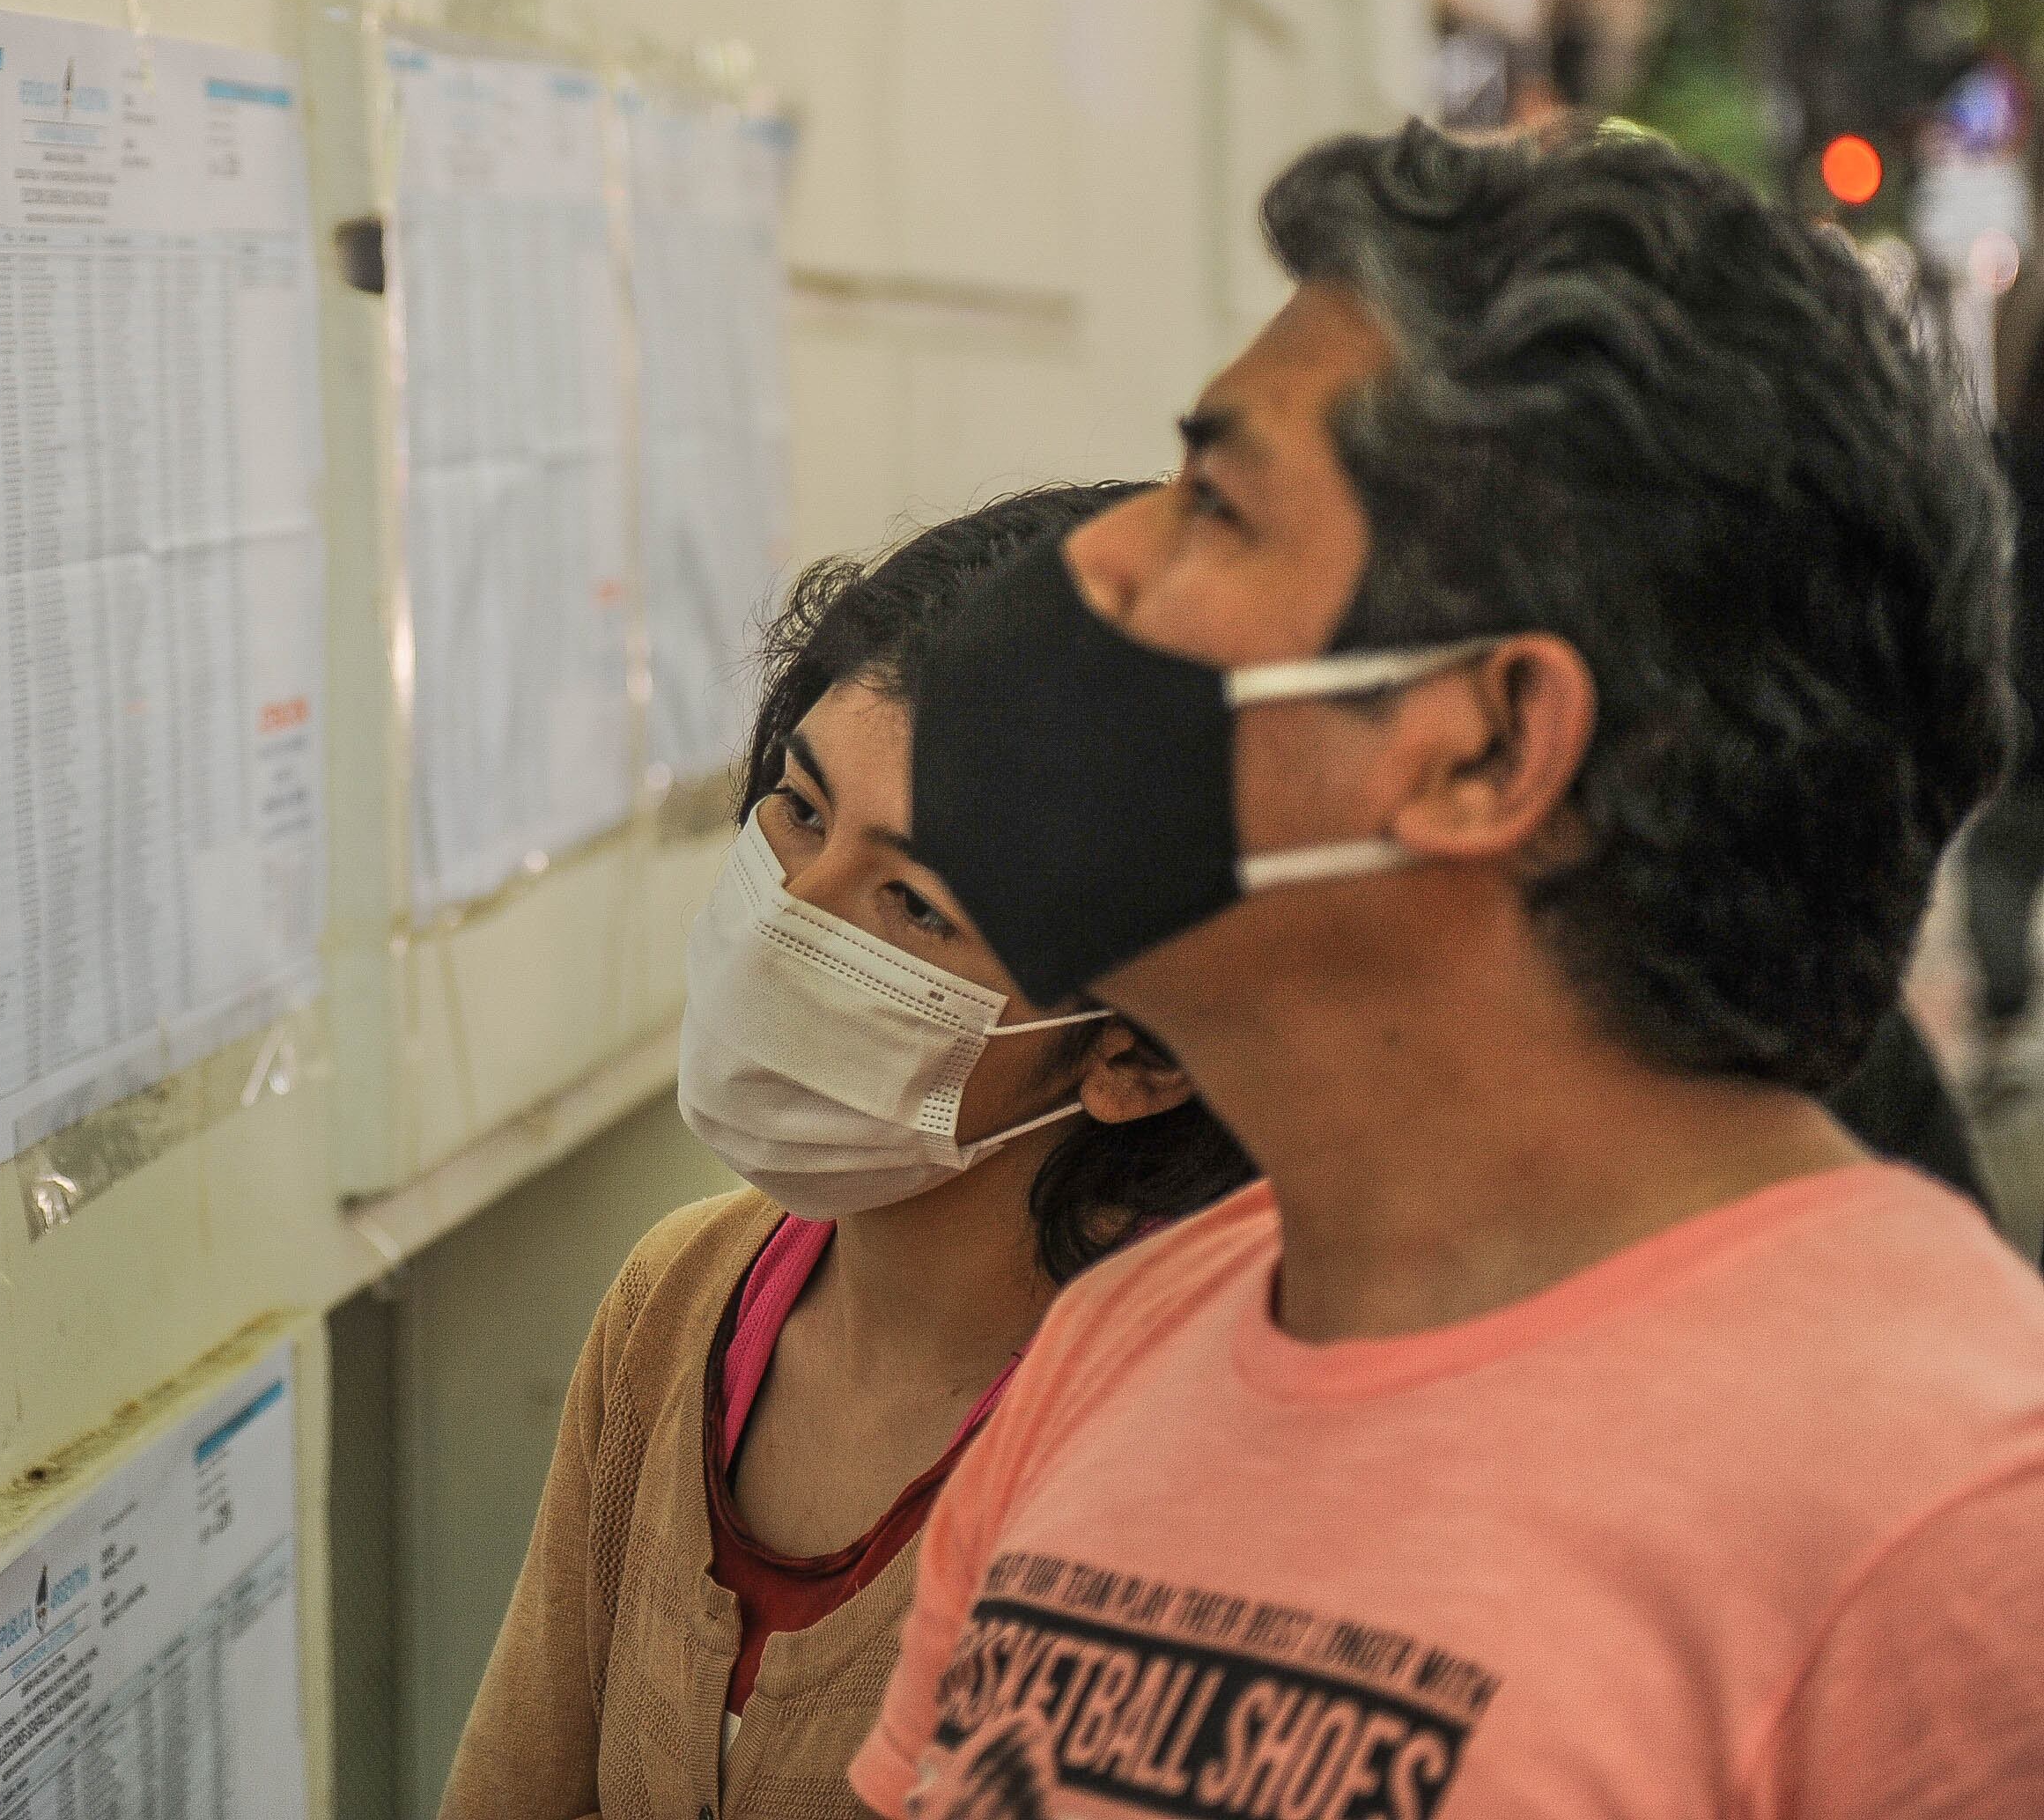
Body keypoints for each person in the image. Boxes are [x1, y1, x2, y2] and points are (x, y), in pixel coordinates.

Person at [853, 121, 2044, 1818]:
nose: (1096, 563)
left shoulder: (1958, 1510)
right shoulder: (1118, 1346)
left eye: (1213, 503)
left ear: (1487, 745)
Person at [442, 487, 1251, 1820]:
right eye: (804, 812)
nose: (790, 922)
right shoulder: (674, 1303)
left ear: (1135, 1054)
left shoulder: (1178, 1465)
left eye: (918, 905)